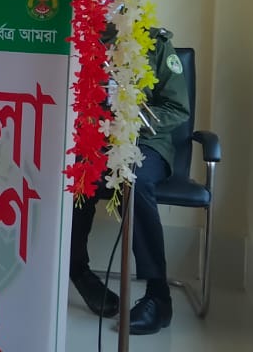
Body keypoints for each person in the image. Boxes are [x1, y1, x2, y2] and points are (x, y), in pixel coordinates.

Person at [69, 25, 190, 335]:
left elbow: (177, 108)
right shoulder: (79, 39)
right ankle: (77, 270)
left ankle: (158, 296)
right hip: (93, 139)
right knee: (78, 173)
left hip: (145, 141)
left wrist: (131, 118)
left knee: (132, 180)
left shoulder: (155, 44)